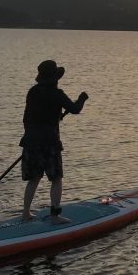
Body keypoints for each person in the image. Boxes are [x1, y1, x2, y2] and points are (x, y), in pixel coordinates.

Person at [21, 60, 88, 224]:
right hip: (49, 143)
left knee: (34, 178)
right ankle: (55, 215)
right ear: (55, 78)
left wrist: (33, 134)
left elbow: (27, 118)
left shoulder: (32, 92)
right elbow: (75, 109)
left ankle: (26, 213)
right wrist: (82, 98)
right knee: (56, 178)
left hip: (30, 141)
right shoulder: (57, 94)